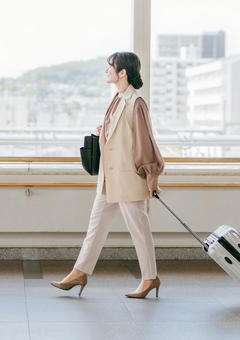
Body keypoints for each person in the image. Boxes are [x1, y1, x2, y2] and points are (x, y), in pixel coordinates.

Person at [50, 52, 165, 298]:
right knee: (96, 227)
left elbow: (145, 142)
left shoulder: (136, 102)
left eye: (110, 67)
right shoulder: (117, 99)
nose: (107, 71)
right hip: (109, 178)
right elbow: (122, 135)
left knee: (139, 229)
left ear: (122, 72)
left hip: (129, 178)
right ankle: (80, 272)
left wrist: (151, 177)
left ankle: (150, 278)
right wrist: (105, 131)